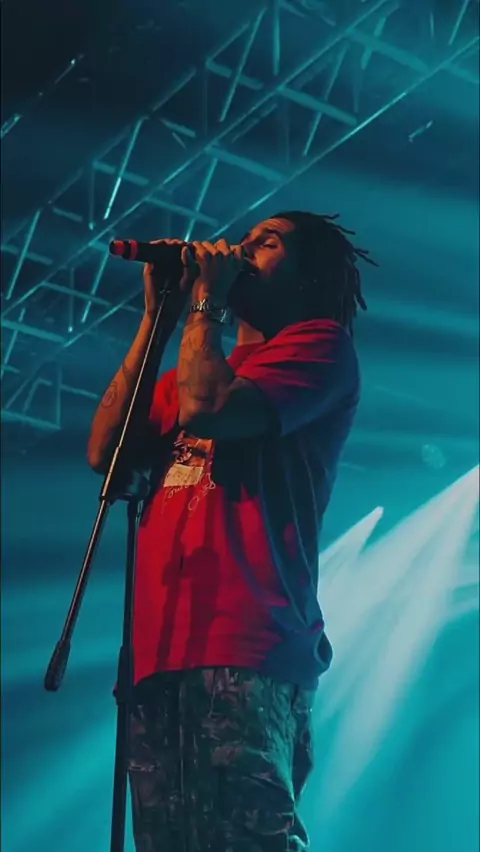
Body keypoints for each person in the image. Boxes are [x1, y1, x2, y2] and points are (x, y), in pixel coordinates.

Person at [87, 211, 374, 851]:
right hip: (160, 650)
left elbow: (210, 408)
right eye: (242, 240)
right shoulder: (188, 369)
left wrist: (207, 304)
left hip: (247, 642)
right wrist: (157, 318)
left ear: (307, 278)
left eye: (266, 243)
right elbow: (106, 451)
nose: (240, 249)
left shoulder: (319, 347)